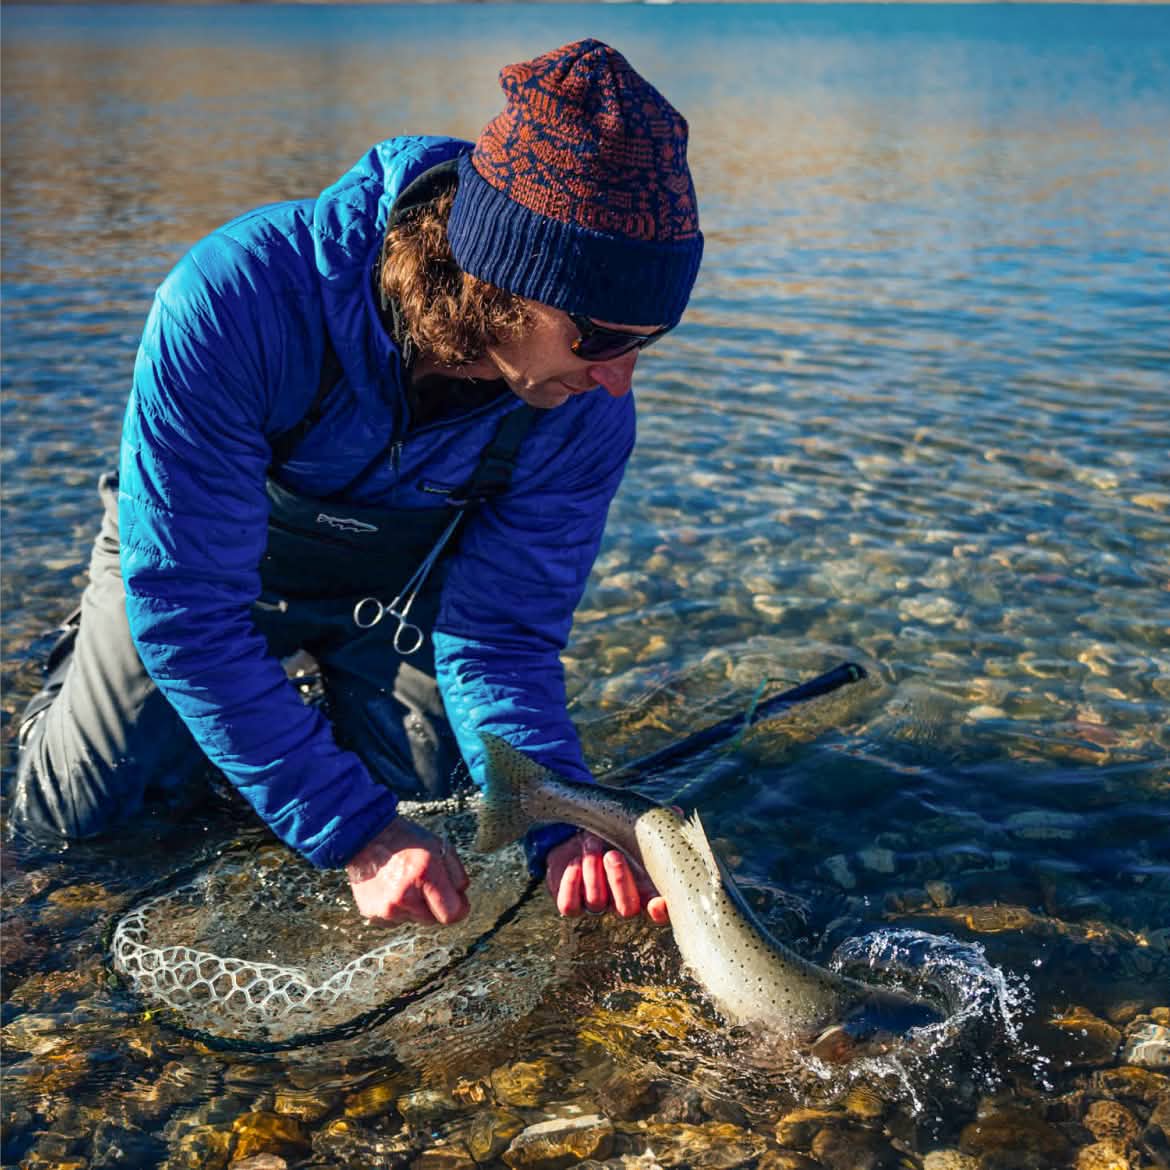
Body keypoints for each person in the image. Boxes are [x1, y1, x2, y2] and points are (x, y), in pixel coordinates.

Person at [11, 39, 703, 931]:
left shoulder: (581, 410)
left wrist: (562, 820)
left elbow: (499, 639)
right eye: (601, 339)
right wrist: (355, 831)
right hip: (197, 572)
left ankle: (290, 722)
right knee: (81, 818)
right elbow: (187, 609)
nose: (619, 380)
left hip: (394, 598)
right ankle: (77, 683)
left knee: (453, 809)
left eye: (649, 341)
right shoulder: (236, 299)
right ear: (503, 280)